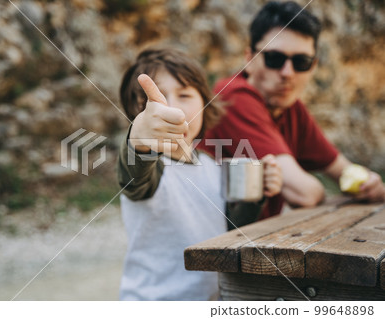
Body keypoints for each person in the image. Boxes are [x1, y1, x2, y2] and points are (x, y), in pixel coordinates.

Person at [117, 48, 282, 300]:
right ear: (135, 113)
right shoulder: (149, 168)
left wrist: (256, 194)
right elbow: (135, 168)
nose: (173, 109)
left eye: (184, 95)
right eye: (156, 100)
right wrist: (139, 137)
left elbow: (230, 231)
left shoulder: (210, 165)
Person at [200, 1, 385, 220]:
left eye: (301, 62)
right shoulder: (232, 98)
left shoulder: (291, 108)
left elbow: (343, 170)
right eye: (275, 59)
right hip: (213, 243)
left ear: (313, 66)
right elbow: (303, 193)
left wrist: (370, 184)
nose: (288, 73)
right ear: (249, 60)